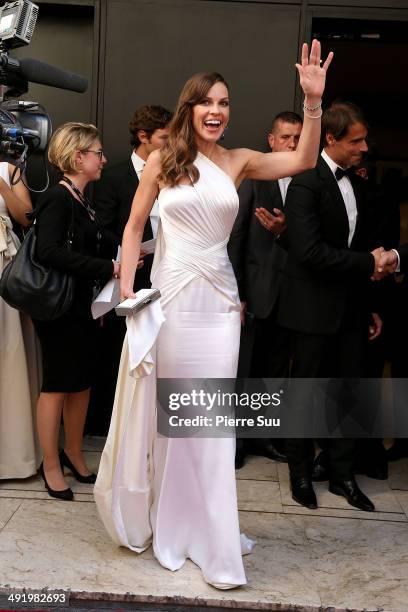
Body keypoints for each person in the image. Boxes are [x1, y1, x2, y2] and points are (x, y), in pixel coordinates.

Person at [95, 41, 333, 588]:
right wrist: (128, 290)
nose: (217, 110)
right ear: (190, 107)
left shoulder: (239, 160)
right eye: (207, 101)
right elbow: (134, 229)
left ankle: (215, 537)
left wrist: (313, 102)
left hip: (220, 307)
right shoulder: (163, 161)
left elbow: (301, 160)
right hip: (173, 302)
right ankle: (175, 523)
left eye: (224, 101)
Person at [277, 102, 385, 513]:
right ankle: (300, 473)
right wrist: (369, 263)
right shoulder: (306, 181)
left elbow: (353, 244)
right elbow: (309, 252)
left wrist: (370, 303)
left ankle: (343, 476)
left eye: (364, 139)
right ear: (331, 139)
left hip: (352, 310)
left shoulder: (356, 182)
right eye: (355, 141)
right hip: (311, 310)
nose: (364, 148)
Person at [33, 122, 123, 501]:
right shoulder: (58, 198)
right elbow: (47, 252)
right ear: (77, 157)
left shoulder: (82, 199)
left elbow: (93, 246)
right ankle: (50, 464)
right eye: (97, 153)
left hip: (85, 306)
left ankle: (73, 452)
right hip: (60, 308)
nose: (103, 159)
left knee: (82, 381)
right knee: (57, 384)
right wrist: (107, 268)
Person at [88, 105, 172, 435]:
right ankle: (115, 426)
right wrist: (127, 255)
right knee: (121, 352)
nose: (170, 144)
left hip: (166, 274)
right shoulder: (114, 177)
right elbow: (104, 227)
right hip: (128, 275)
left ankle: (150, 422)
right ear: (143, 137)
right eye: (164, 138)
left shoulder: (174, 172)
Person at [228, 111, 303, 468]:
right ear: (271, 139)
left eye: (297, 138)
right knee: (243, 372)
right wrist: (238, 293)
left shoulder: (306, 179)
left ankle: (262, 437)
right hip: (255, 293)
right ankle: (235, 445)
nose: (292, 144)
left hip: (291, 296)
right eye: (286, 137)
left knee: (274, 374)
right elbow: (237, 236)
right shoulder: (254, 178)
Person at [0, 162, 40, 479]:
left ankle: (12, 456)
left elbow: (26, 216)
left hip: (5, 267)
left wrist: (1, 186)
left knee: (9, 355)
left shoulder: (8, 169)